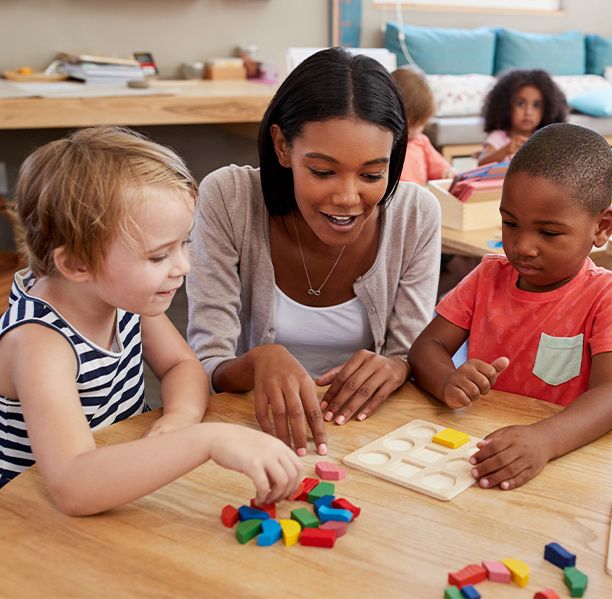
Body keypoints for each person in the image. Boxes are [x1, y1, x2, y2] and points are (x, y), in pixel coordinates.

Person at [0, 127, 303, 514]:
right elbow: (73, 485)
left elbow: (182, 365)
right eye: (159, 256)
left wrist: (178, 420)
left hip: (118, 493)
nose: (184, 266)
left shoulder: (120, 296)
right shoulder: (40, 343)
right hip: (34, 526)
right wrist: (205, 440)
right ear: (77, 263)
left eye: (185, 243)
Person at [188, 48, 441, 456]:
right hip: (250, 435)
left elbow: (407, 354)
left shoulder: (415, 213)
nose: (347, 197)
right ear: (282, 147)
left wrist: (399, 366)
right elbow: (203, 365)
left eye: (373, 174)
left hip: (370, 439)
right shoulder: (229, 198)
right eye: (322, 171)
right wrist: (257, 361)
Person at [409, 124, 612, 491]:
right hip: (482, 447)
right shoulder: (487, 275)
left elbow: (611, 396)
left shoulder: (610, 296)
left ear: (602, 227)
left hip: (563, 458)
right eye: (510, 223)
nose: (523, 246)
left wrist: (545, 440)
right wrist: (447, 380)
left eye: (549, 233)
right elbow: (427, 347)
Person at [477, 69, 567, 166]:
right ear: (505, 106)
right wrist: (505, 150)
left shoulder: (545, 138)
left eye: (536, 105)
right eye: (521, 104)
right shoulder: (498, 137)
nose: (528, 112)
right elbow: (481, 164)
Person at [391, 66, 454, 185]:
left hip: (420, 198)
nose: (417, 130)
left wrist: (448, 173)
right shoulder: (385, 145)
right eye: (412, 124)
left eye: (421, 124)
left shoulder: (421, 141)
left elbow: (441, 167)